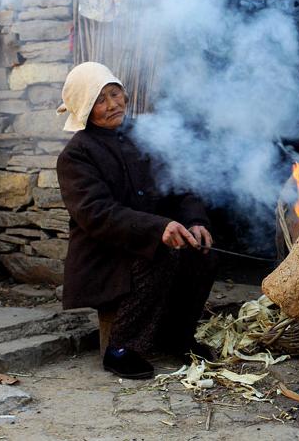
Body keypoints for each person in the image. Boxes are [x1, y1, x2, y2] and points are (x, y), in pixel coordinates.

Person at [56, 62, 217, 379]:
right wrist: (158, 228)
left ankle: (177, 337)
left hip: (147, 237)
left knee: (200, 252)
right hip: (104, 253)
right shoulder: (76, 155)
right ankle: (120, 351)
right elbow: (97, 214)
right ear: (86, 109)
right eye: (101, 100)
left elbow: (179, 186)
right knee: (158, 255)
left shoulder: (143, 136)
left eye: (115, 94)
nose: (113, 104)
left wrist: (195, 220)